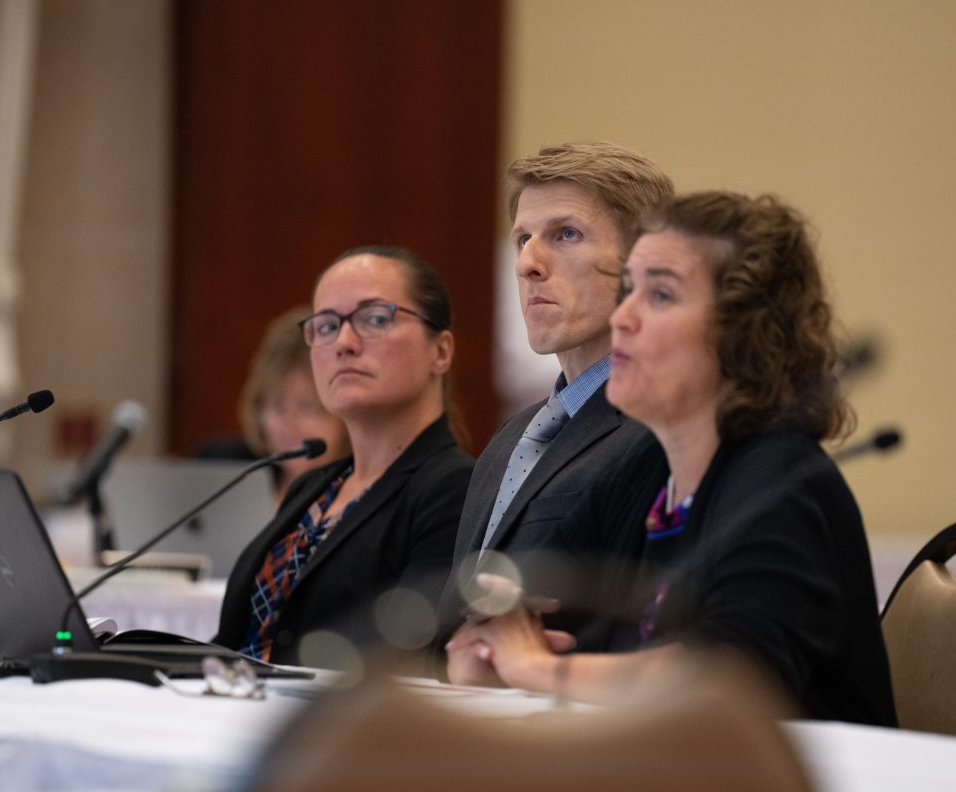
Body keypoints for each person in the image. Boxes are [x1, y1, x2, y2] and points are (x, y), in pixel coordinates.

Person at [447, 191, 898, 727]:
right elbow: (626, 662)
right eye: (629, 288)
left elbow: (728, 682)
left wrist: (535, 667)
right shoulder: (658, 485)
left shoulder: (778, 480)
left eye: (659, 295)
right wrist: (494, 657)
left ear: (742, 333)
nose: (624, 316)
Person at [441, 142, 674, 649]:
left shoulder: (666, 433)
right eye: (522, 238)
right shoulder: (507, 441)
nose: (527, 263)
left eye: (565, 234)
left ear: (644, 263)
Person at [214, 245, 474, 668]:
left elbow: (411, 660)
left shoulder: (454, 490)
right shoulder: (312, 487)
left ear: (440, 352)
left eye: (375, 319)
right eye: (327, 325)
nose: (344, 343)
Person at [239, 306, 350, 498]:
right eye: (277, 406)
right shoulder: (237, 478)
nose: (289, 421)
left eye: (307, 406)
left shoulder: (360, 500)